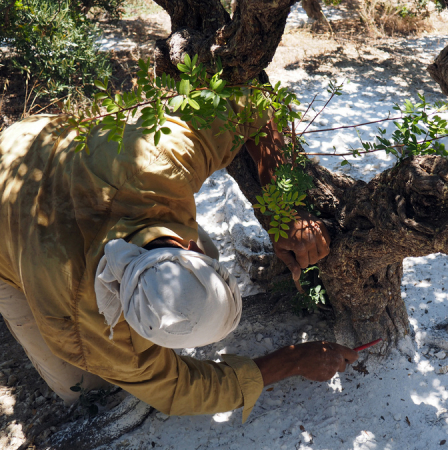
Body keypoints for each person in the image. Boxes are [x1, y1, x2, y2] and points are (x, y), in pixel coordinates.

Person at [0, 96, 358, 422]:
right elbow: (180, 390)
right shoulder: (82, 333)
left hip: (28, 140)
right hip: (8, 209)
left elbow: (251, 103)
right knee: (86, 389)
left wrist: (286, 209)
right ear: (191, 249)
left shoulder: (158, 160)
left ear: (188, 249)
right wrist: (292, 360)